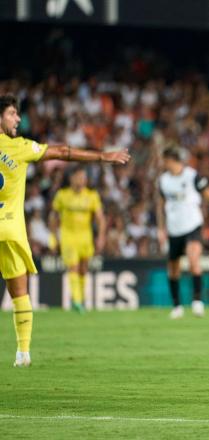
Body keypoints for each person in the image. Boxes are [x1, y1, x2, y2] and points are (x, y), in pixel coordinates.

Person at [0, 94, 130, 367]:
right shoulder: (20, 147)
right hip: (9, 227)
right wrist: (102, 156)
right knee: (19, 290)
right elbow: (63, 152)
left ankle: (24, 353)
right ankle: (23, 352)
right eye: (12, 113)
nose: (18, 118)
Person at [156, 147, 209, 319]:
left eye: (165, 160)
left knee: (194, 260)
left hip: (192, 224)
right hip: (174, 227)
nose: (163, 164)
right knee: (173, 268)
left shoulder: (192, 176)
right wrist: (161, 228)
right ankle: (177, 306)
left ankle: (197, 302)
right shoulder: (163, 180)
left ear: (171, 160)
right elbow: (160, 206)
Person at [50, 166, 106, 313]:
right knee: (73, 267)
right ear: (72, 178)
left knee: (83, 269)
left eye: (84, 177)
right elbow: (54, 217)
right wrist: (53, 237)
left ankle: (80, 299)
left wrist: (100, 236)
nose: (82, 180)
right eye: (79, 177)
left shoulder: (92, 196)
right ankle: (77, 301)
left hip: (85, 237)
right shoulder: (62, 195)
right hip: (68, 236)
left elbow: (100, 218)